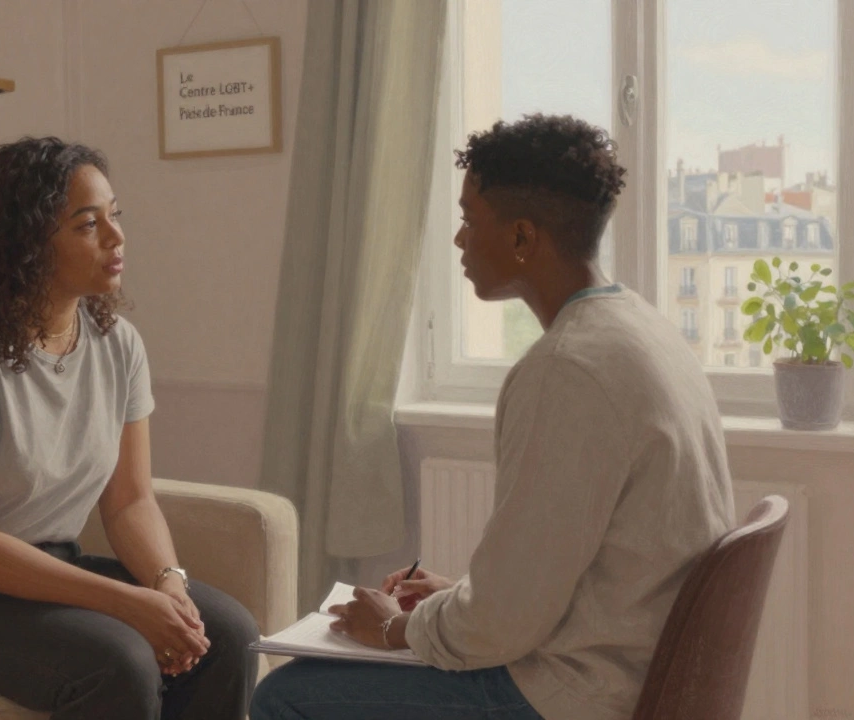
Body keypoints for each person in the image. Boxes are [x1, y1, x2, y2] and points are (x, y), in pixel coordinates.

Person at [250, 114, 736, 720]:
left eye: (469, 219)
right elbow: (551, 584)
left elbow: (503, 628)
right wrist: (456, 602)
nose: (458, 240)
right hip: (635, 669)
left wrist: (396, 628)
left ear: (523, 238)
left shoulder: (567, 370)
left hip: (576, 697)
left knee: (285, 696)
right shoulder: (643, 330)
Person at [0, 136, 259, 720]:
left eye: (114, 216)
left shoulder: (118, 344)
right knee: (120, 659)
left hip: (51, 568)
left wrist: (167, 584)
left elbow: (129, 501)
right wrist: (128, 603)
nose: (116, 237)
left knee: (227, 633)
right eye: (86, 225)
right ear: (24, 244)